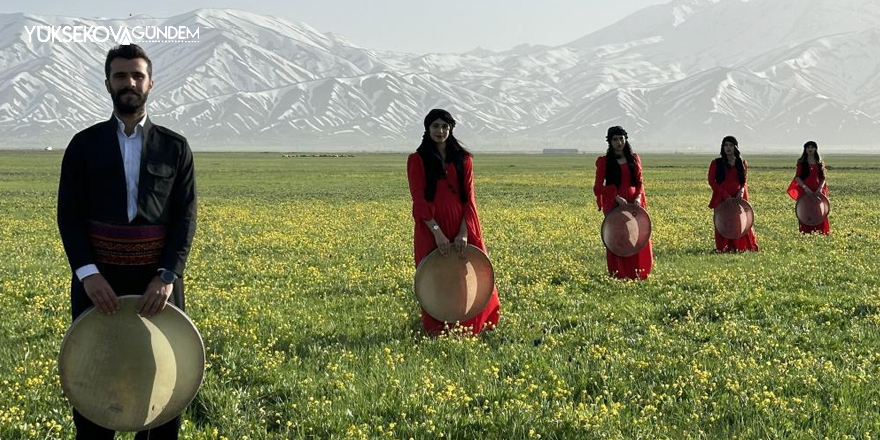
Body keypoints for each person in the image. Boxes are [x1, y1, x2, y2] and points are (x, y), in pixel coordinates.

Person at [57, 44, 197, 440]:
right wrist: (88, 274)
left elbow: (186, 218)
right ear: (107, 84)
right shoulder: (83, 146)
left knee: (161, 385)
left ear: (150, 83)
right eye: (121, 76)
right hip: (99, 284)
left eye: (137, 75)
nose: (129, 83)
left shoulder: (175, 147)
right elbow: (68, 216)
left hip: (159, 285)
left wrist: (168, 275)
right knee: (95, 381)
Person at [406, 109, 500, 335]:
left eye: (445, 127)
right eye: (436, 126)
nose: (440, 131)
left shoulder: (464, 159)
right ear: (427, 129)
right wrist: (437, 233)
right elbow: (419, 200)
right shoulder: (417, 160)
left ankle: (469, 326)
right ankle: (439, 329)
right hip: (430, 228)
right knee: (436, 274)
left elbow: (469, 198)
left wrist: (464, 232)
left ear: (451, 129)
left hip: (462, 224)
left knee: (467, 274)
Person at [592, 126, 653, 279]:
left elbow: (640, 183)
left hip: (634, 204)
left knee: (637, 236)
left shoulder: (634, 158)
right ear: (609, 142)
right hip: (614, 205)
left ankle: (638, 272)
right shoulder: (604, 161)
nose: (619, 142)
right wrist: (615, 197)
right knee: (619, 237)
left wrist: (638, 197)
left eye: (621, 138)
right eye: (615, 139)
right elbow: (598, 187)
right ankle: (620, 273)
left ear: (626, 139)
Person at [708, 135, 758, 252]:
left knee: (740, 222)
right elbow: (711, 181)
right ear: (722, 147)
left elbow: (743, 181)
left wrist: (741, 191)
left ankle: (741, 247)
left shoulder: (742, 163)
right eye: (726, 145)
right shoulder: (716, 163)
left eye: (731, 145)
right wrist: (724, 194)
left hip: (738, 197)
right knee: (723, 222)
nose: (728, 148)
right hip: (721, 197)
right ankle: (724, 247)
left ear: (735, 147)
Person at [787, 140, 830, 234]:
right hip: (805, 191)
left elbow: (823, 178)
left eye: (812, 147)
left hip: (817, 190)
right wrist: (805, 188)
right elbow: (797, 177)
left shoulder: (819, 163)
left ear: (816, 149)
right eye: (808, 147)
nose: (810, 149)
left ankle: (820, 232)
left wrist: (820, 189)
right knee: (805, 211)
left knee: (819, 211)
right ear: (805, 149)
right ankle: (806, 232)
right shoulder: (801, 162)